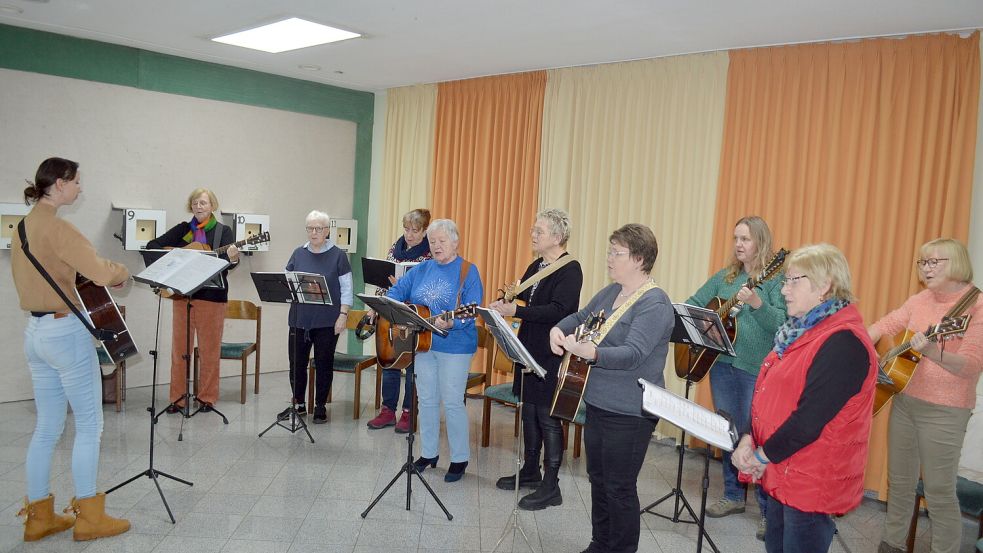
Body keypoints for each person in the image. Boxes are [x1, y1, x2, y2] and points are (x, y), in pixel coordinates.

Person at [10, 157, 130, 541]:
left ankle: (39, 516)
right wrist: (123, 272)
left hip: (35, 333)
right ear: (59, 184)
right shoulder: (58, 228)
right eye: (77, 182)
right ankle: (90, 517)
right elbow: (99, 271)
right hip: (65, 333)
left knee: (46, 427)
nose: (80, 188)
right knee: (90, 425)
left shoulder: (23, 225)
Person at [732, 243, 877, 553]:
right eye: (785, 281)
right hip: (784, 466)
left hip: (812, 480)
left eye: (793, 280)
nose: (784, 290)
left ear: (824, 285)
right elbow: (767, 392)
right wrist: (748, 437)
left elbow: (809, 420)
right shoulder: (797, 331)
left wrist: (759, 457)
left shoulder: (843, 342)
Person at [550, 224, 674, 553]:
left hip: (631, 411)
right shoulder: (612, 291)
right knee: (599, 480)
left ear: (638, 259)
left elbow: (633, 354)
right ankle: (599, 543)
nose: (609, 258)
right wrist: (558, 330)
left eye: (616, 253)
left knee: (619, 487)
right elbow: (580, 316)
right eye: (610, 251)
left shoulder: (655, 303)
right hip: (599, 402)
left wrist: (592, 353)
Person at [871, 239, 982, 553]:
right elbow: (886, 323)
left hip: (945, 410)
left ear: (957, 262)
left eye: (935, 262)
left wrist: (932, 351)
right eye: (922, 262)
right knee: (900, 483)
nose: (926, 268)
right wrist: (863, 338)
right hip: (905, 400)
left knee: (938, 492)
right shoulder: (921, 299)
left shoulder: (976, 305)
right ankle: (891, 545)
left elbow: (972, 365)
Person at [684, 215, 786, 539]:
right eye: (736, 238)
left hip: (757, 371)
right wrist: (704, 324)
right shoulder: (726, 277)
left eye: (745, 239)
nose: (739, 245)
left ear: (761, 242)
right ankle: (732, 495)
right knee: (728, 431)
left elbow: (783, 325)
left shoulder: (774, 280)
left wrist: (757, 304)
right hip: (722, 366)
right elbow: (693, 305)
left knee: (757, 436)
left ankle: (769, 513)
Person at [490, 208, 582, 510]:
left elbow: (560, 310)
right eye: (534, 230)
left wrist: (516, 311)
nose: (533, 235)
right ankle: (531, 470)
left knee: (547, 416)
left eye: (539, 231)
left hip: (551, 351)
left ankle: (551, 484)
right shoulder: (537, 265)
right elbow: (523, 299)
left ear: (556, 237)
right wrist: (505, 303)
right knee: (529, 410)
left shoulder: (571, 270)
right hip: (528, 345)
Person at [385, 219, 483, 482]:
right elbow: (396, 291)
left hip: (456, 347)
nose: (436, 246)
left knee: (452, 402)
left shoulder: (467, 271)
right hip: (424, 344)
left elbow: (472, 309)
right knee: (426, 400)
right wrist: (388, 307)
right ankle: (429, 453)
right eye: (432, 242)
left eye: (441, 241)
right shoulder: (421, 269)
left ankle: (459, 459)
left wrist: (453, 321)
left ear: (455, 241)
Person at [146, 188, 239, 412]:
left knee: (209, 351)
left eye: (204, 203)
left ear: (212, 206)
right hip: (182, 295)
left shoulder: (222, 232)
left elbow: (229, 262)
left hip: (212, 297)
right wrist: (177, 256)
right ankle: (177, 399)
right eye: (195, 203)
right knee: (180, 351)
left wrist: (234, 259)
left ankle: (206, 398)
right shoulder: (183, 229)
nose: (199, 207)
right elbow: (152, 246)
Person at [278, 210, 353, 424]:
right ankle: (299, 404)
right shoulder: (298, 253)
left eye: (318, 228)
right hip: (299, 319)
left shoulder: (338, 255)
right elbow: (286, 280)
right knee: (296, 363)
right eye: (310, 228)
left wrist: (343, 315)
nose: (314, 232)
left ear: (327, 230)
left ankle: (320, 406)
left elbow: (347, 289)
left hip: (327, 321)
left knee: (323, 363)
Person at [367, 208, 432, 432]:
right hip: (389, 315)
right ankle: (387, 411)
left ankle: (408, 412)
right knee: (389, 362)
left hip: (414, 316)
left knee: (413, 365)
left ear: (425, 231)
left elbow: (428, 292)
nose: (409, 234)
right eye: (406, 229)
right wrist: (374, 308)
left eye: (415, 230)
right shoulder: (395, 249)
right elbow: (382, 281)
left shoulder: (431, 255)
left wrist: (402, 289)